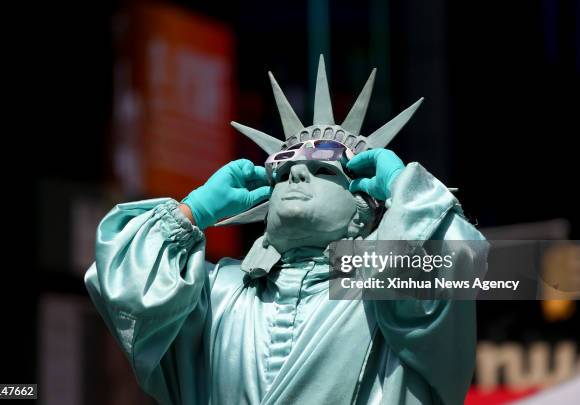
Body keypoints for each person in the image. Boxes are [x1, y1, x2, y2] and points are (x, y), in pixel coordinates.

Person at [85, 56, 487, 405]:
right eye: (281, 167)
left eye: (323, 168)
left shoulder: (388, 296)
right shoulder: (216, 295)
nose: (294, 171)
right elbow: (124, 289)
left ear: (362, 211)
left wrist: (405, 188)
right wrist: (192, 212)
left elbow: (458, 265)